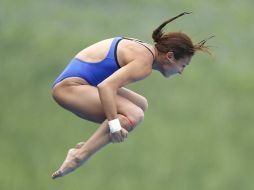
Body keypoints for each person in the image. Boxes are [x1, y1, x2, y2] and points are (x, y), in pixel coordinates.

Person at [51, 12, 212, 179]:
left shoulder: (146, 51)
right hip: (68, 89)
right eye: (183, 65)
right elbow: (106, 87)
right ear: (170, 56)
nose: (180, 72)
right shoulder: (144, 64)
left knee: (141, 104)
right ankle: (79, 156)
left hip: (82, 84)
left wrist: (116, 122)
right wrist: (114, 127)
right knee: (134, 114)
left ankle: (87, 146)